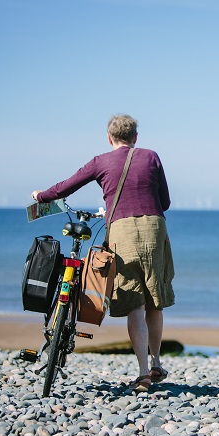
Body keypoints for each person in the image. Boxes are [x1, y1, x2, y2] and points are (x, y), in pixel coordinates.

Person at [31, 114, 175, 393]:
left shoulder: (100, 161)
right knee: (154, 297)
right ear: (135, 137)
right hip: (154, 229)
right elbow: (165, 202)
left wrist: (41, 196)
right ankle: (157, 362)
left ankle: (144, 374)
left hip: (121, 230)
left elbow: (65, 187)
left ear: (109, 138)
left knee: (134, 301)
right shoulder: (152, 157)